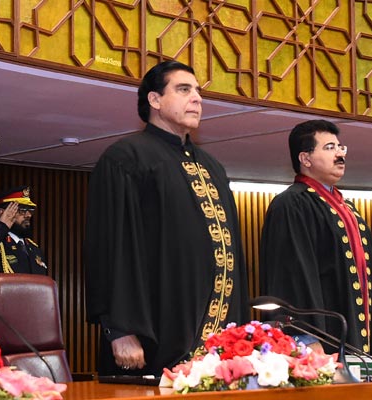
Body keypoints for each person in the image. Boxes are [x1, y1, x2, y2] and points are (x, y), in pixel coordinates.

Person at [84, 60, 249, 377]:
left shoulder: (213, 167)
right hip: (151, 341)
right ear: (154, 100)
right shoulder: (125, 157)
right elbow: (109, 248)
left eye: (198, 91)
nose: (197, 98)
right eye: (184, 89)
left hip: (217, 347)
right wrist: (119, 330)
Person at [259, 119, 372, 355]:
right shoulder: (292, 204)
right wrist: (306, 339)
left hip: (357, 338)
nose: (339, 154)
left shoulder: (348, 208)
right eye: (329, 148)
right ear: (305, 158)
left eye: (340, 147)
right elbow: (292, 278)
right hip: (321, 345)